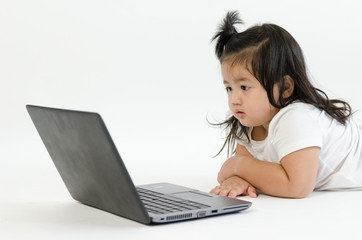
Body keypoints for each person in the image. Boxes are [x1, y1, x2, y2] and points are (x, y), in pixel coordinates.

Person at [209, 11, 362, 199]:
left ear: (284, 88)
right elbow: (248, 174)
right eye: (229, 88)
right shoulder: (249, 121)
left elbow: (297, 186)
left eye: (244, 87)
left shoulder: (296, 117)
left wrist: (237, 165)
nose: (234, 99)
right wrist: (238, 177)